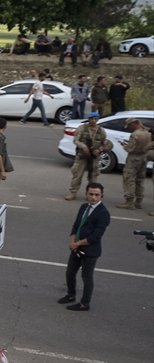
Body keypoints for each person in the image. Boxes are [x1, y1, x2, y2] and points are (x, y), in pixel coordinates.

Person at [59, 183, 110, 312]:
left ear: (102, 196)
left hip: (90, 250)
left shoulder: (103, 213)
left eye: (96, 195)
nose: (93, 197)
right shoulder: (83, 207)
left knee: (87, 278)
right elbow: (76, 226)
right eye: (91, 194)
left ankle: (84, 303)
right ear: (86, 194)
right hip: (76, 247)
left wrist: (78, 244)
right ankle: (71, 295)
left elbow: (96, 236)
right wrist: (73, 242)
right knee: (70, 273)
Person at [66, 112, 111, 200]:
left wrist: (100, 150)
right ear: (89, 119)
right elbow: (76, 140)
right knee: (77, 175)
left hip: (94, 156)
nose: (94, 121)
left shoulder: (101, 130)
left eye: (96, 119)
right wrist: (83, 147)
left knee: (93, 176)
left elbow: (104, 143)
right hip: (82, 155)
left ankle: (91, 194)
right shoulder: (82, 128)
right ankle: (73, 192)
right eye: (92, 119)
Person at [117, 116, 150, 210]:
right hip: (143, 157)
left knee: (129, 179)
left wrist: (124, 145)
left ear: (133, 124)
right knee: (140, 180)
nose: (129, 128)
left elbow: (130, 148)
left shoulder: (135, 134)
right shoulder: (147, 133)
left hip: (134, 158)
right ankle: (139, 201)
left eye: (129, 126)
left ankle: (129, 201)